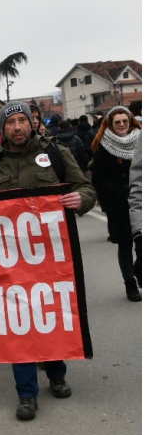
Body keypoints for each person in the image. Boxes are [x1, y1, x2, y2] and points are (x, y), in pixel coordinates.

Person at [0, 105, 96, 418]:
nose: (17, 126)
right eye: (10, 122)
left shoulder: (55, 153)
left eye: (22, 120)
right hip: (9, 259)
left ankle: (56, 372)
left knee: (48, 313)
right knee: (18, 323)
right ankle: (26, 393)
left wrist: (82, 200)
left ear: (32, 123)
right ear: (3, 128)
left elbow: (85, 187)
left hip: (51, 257)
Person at [91, 107, 140, 301]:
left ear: (130, 122)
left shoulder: (141, 140)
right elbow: (98, 177)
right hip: (118, 204)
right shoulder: (102, 144)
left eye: (124, 121)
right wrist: (114, 195)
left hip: (140, 201)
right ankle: (130, 285)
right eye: (117, 122)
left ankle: (139, 268)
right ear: (110, 124)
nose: (121, 125)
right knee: (125, 244)